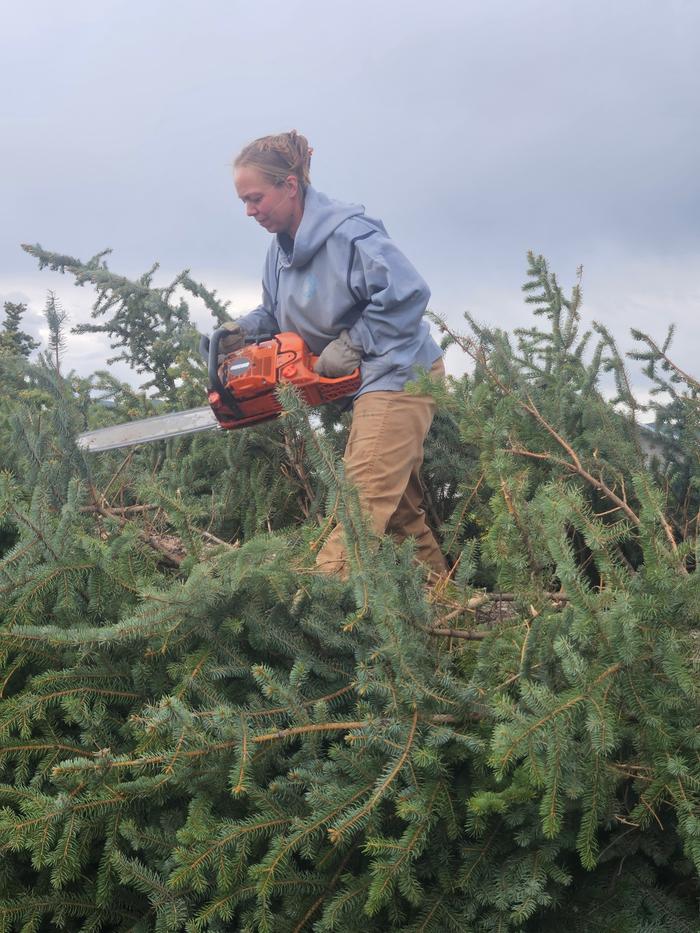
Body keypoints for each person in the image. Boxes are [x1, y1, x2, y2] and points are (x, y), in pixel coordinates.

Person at [221, 130, 447, 579]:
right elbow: (275, 311)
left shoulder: (350, 235)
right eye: (243, 201)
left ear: (289, 185)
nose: (249, 211)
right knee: (400, 516)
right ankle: (448, 611)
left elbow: (407, 291)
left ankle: (321, 612)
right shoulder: (279, 251)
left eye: (255, 198)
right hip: (364, 384)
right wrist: (242, 331)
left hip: (400, 374)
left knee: (360, 505)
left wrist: (354, 343)